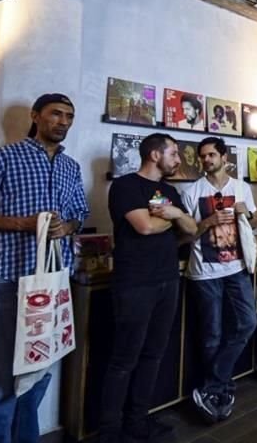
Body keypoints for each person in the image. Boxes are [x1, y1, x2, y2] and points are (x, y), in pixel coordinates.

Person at [0, 93, 89, 443]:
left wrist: (66, 227)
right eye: (56, 114)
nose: (63, 122)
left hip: (55, 283)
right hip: (10, 280)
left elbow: (80, 214)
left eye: (69, 116)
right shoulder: (2, 158)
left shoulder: (71, 167)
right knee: (0, 381)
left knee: (39, 375)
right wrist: (22, 225)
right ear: (35, 115)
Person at [99, 133, 198, 443]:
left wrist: (177, 213)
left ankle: (137, 422)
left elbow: (193, 230)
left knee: (154, 354)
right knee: (124, 359)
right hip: (135, 283)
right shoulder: (126, 186)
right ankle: (109, 432)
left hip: (168, 280)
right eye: (173, 153)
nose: (179, 159)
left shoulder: (169, 191)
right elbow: (145, 226)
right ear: (155, 154)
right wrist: (173, 218)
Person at [180, 137, 257, 423]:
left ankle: (211, 385)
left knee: (248, 322)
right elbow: (184, 236)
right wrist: (206, 224)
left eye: (212, 154)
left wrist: (245, 213)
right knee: (211, 335)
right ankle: (219, 391)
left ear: (224, 157)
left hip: (237, 269)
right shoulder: (191, 192)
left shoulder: (241, 188)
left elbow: (256, 225)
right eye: (203, 156)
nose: (207, 160)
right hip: (204, 272)